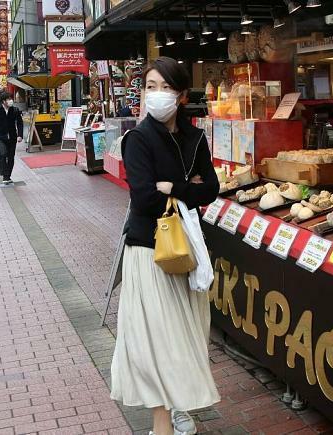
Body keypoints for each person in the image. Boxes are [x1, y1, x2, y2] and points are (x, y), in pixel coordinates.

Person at [110, 57, 220, 435]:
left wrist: (174, 188)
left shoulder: (194, 137)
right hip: (148, 251)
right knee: (155, 338)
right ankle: (164, 419)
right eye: (149, 87)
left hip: (187, 250)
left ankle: (178, 405)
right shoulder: (138, 139)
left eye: (164, 87)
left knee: (187, 333)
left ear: (182, 95)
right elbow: (142, 198)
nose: (155, 95)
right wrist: (189, 190)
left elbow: (213, 189)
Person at [0, 90, 23, 184]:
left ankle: (7, 176)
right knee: (3, 154)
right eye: (8, 99)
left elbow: (20, 123)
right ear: (3, 101)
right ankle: (4, 174)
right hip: (0, 137)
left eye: (11, 99)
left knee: (11, 157)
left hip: (12, 137)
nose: (10, 101)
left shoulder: (15, 110)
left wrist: (20, 135)